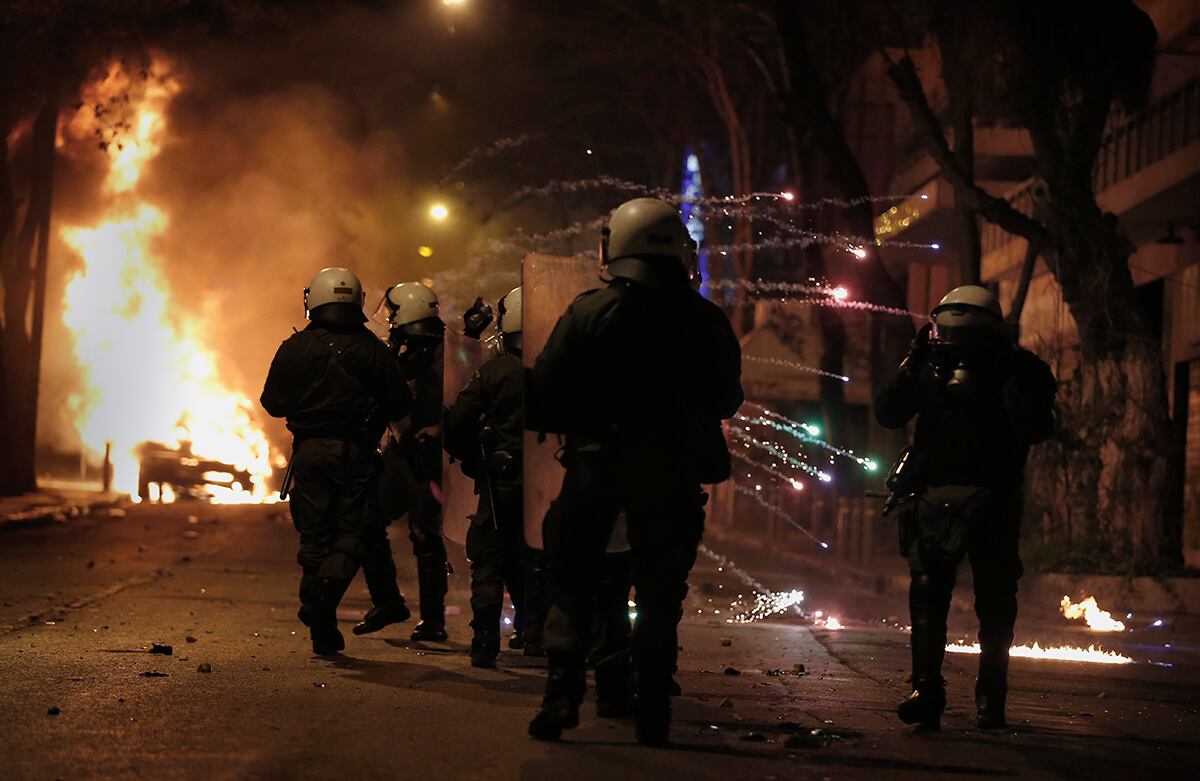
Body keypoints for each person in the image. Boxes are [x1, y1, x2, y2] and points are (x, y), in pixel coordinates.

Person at [525, 197, 743, 746]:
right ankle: (651, 710)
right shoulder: (706, 320)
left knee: (572, 578)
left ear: (613, 247)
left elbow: (543, 398)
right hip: (671, 474)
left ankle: (562, 693)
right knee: (659, 594)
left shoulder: (586, 311)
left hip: (595, 467)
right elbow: (726, 399)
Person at [874, 284, 1056, 731]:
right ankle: (958, 694)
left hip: (981, 497)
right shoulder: (937, 365)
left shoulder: (1016, 369)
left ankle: (963, 694)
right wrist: (916, 362)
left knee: (947, 597)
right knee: (971, 599)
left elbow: (1036, 425)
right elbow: (890, 411)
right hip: (957, 497)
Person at [261, 267, 412, 655]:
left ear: (314, 300)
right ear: (358, 301)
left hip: (310, 454)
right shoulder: (374, 350)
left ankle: (322, 631)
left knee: (315, 539)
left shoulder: (294, 347)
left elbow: (273, 403)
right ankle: (321, 602)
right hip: (356, 455)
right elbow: (400, 405)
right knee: (354, 534)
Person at [444, 286, 530, 667]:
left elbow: (457, 425)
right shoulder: (566, 375)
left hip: (502, 485)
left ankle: (485, 643)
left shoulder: (493, 373)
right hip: (556, 489)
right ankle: (540, 636)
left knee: (491, 563)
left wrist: (472, 460)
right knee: (542, 562)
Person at [361, 282, 451, 642]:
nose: (390, 319)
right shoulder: (404, 348)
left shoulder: (443, 353)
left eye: (394, 312)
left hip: (428, 460)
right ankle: (389, 601)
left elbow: (458, 401)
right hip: (402, 455)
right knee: (367, 520)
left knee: (425, 536)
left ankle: (434, 622)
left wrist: (437, 430)